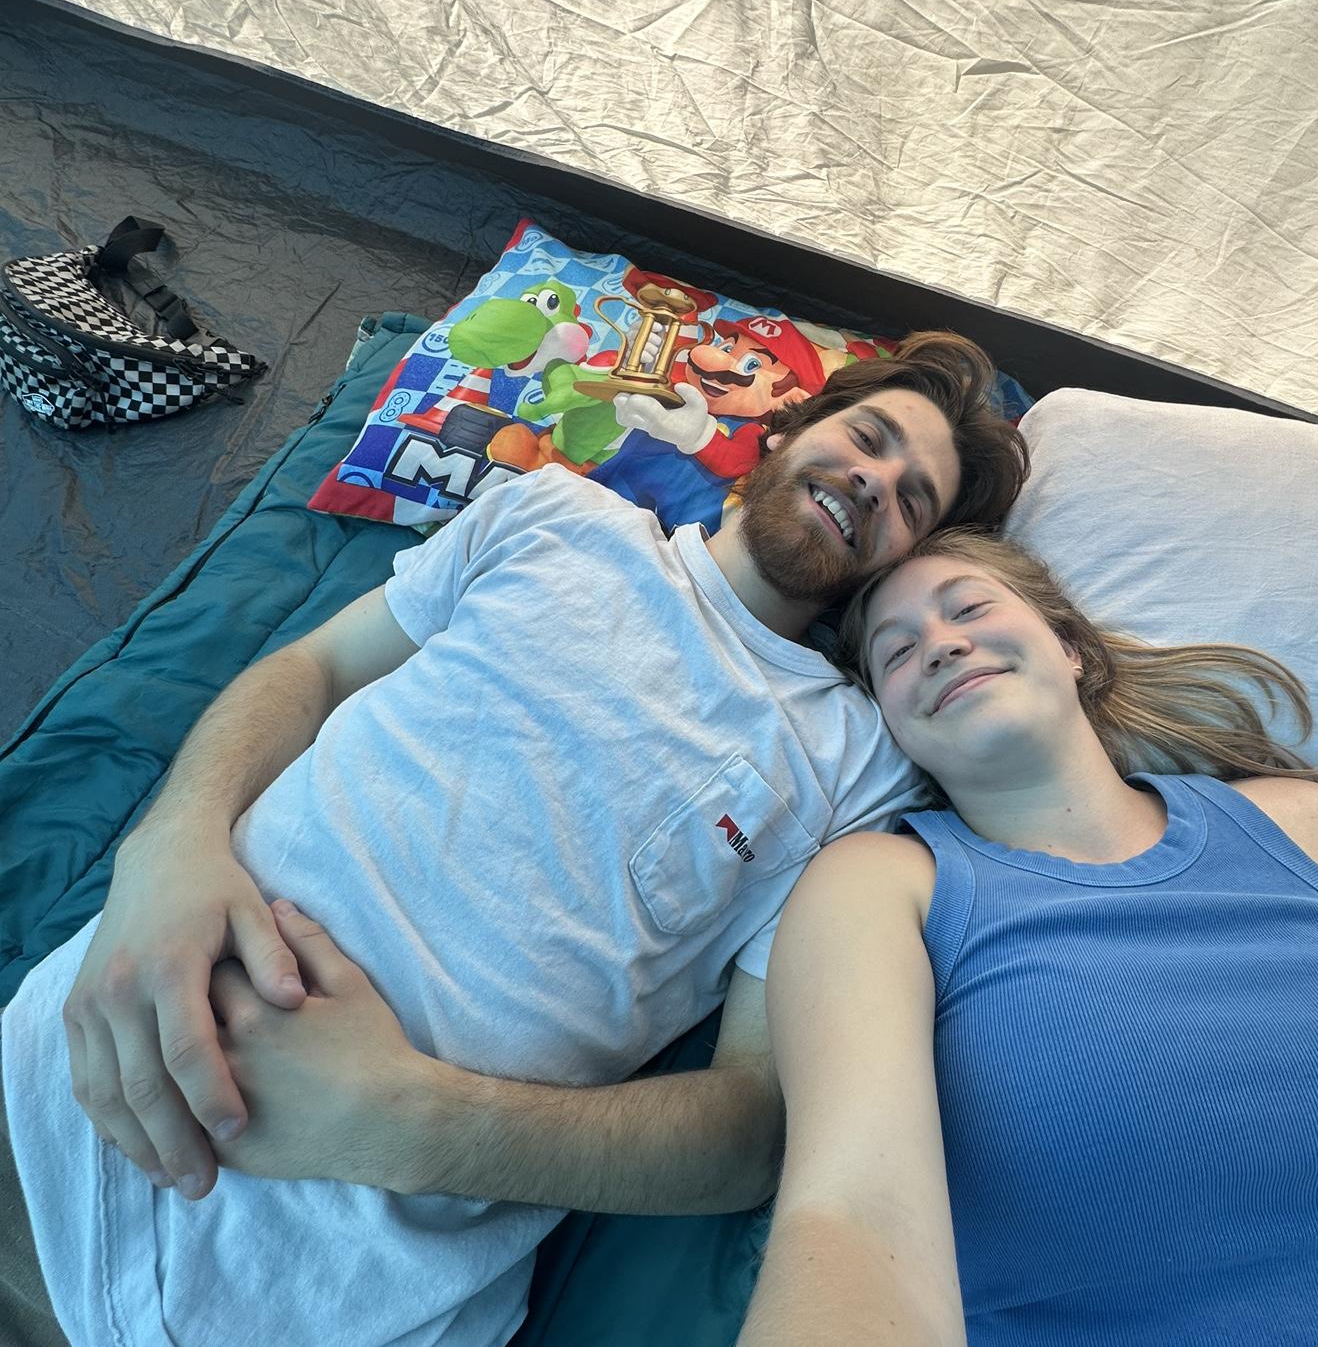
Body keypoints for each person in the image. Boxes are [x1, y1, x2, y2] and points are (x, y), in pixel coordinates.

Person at [0, 334, 1029, 1347]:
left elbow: (750, 1123)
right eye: (870, 437)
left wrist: (410, 1120)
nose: (873, 482)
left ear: (902, 558)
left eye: (911, 499)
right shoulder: (555, 515)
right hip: (68, 1101)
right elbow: (311, 670)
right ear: (786, 432)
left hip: (331, 1301)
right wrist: (171, 841)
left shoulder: (854, 758)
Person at [741, 527, 1318, 1346]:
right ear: (892, 723)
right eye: (895, 654)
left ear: (1068, 646)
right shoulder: (883, 884)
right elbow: (851, 1215)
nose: (942, 645)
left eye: (968, 608)